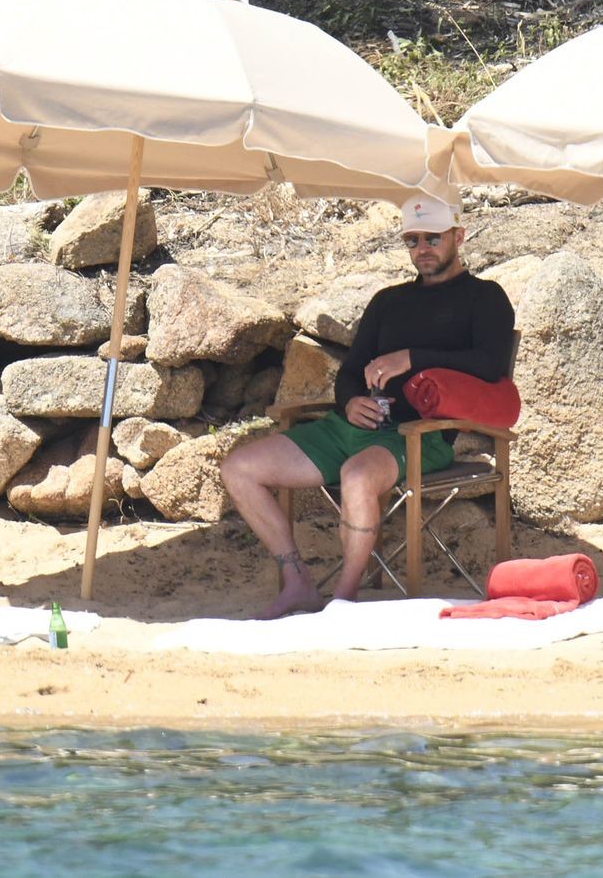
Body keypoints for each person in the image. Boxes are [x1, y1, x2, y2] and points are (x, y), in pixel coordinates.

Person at [220, 190, 515, 619]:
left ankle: (344, 600)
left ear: (458, 236)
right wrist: (350, 401)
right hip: (351, 427)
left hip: (420, 435)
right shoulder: (388, 301)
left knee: (357, 477)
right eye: (412, 240)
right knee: (239, 468)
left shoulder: (485, 298)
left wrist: (411, 358)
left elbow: (489, 365)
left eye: (432, 238)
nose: (422, 249)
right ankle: (297, 582)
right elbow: (350, 371)